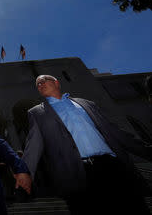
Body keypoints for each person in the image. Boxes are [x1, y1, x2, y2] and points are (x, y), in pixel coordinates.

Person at [22, 75, 152, 215]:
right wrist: (24, 172)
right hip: (78, 174)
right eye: (37, 84)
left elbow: (114, 131)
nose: (40, 84)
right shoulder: (37, 113)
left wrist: (146, 150)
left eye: (43, 81)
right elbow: (33, 146)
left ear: (56, 83)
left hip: (113, 167)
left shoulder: (86, 103)